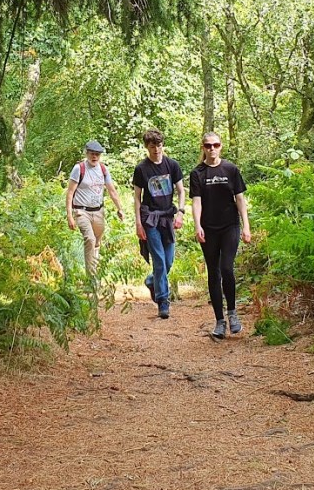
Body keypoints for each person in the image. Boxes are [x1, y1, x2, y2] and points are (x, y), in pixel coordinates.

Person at [190, 132, 251, 339]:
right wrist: (197, 225)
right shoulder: (197, 173)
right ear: (203, 148)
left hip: (230, 226)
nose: (212, 149)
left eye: (215, 145)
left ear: (221, 146)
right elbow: (196, 201)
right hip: (209, 228)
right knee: (213, 272)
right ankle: (219, 320)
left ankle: (233, 313)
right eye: (208, 146)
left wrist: (246, 226)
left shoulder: (231, 169)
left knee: (226, 267)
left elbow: (240, 199)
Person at [132, 129, 185, 319]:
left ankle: (151, 280)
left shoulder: (172, 165)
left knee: (168, 260)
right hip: (150, 218)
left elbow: (181, 191)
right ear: (147, 147)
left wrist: (180, 213)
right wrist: (138, 223)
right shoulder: (141, 169)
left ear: (163, 145)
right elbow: (137, 198)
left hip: (167, 217)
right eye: (152, 146)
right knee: (159, 259)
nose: (156, 150)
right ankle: (163, 301)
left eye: (159, 145)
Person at [66, 141, 125, 288]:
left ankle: (95, 273)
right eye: (92, 153)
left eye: (97, 154)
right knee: (90, 240)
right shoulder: (79, 169)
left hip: (98, 211)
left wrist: (120, 208)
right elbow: (70, 192)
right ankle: (91, 280)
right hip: (81, 211)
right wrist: (69, 215)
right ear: (87, 153)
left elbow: (111, 190)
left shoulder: (103, 169)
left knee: (97, 243)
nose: (95, 156)